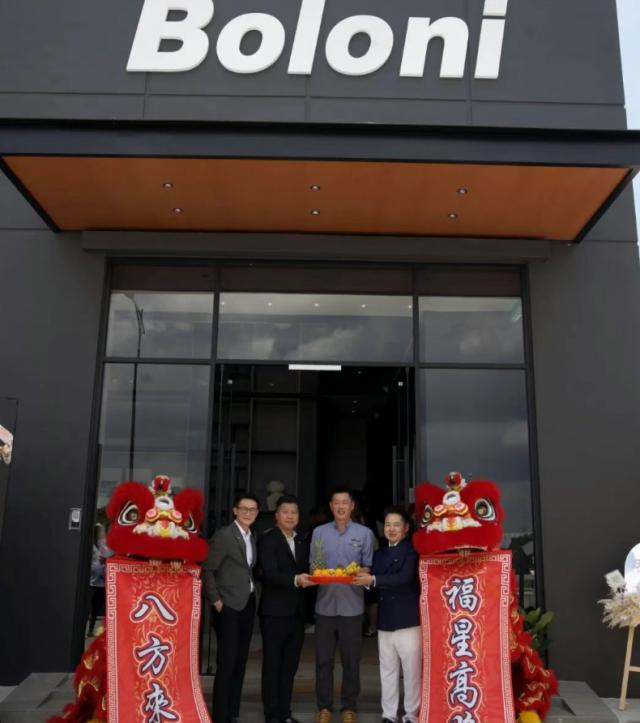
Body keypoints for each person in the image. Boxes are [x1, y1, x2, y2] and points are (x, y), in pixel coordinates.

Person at [311, 487, 375, 723]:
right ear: (331, 506)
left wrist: (358, 572)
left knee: (351, 661)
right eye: (336, 502)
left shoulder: (365, 534)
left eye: (344, 502)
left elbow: (368, 565)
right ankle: (324, 707)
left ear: (352, 506)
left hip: (352, 607)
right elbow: (314, 567)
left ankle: (349, 707)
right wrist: (321, 573)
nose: (340, 507)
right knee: (323, 661)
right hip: (325, 607)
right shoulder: (319, 533)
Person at [353, 507, 420, 723]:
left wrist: (373, 580)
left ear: (406, 528)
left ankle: (411, 715)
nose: (391, 529)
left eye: (396, 525)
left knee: (411, 671)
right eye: (388, 525)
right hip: (385, 620)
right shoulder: (379, 554)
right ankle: (389, 714)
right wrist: (361, 578)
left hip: (408, 621)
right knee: (387, 670)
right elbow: (374, 585)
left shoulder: (413, 552)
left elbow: (404, 578)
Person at [258, 494, 316, 723]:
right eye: (285, 512)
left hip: (297, 614)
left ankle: (285, 713)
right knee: (273, 665)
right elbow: (269, 574)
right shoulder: (268, 539)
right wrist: (295, 580)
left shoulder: (302, 540)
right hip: (274, 613)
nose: (290, 516)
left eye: (294, 512)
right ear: (276, 515)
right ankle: (272, 715)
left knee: (290, 667)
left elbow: (309, 570)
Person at [203, 493, 260, 723]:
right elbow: (207, 569)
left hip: (247, 603)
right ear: (235, 510)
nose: (248, 513)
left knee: (240, 661)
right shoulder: (224, 535)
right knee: (227, 662)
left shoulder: (251, 536)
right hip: (227, 606)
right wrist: (216, 601)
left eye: (252, 509)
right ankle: (220, 716)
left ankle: (232, 713)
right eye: (244, 509)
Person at [88, 523, 110, 636]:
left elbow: (109, 555)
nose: (103, 533)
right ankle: (90, 630)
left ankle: (103, 630)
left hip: (104, 582)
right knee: (94, 608)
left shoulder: (104, 545)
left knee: (103, 606)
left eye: (103, 531)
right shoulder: (91, 546)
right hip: (93, 582)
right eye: (101, 531)